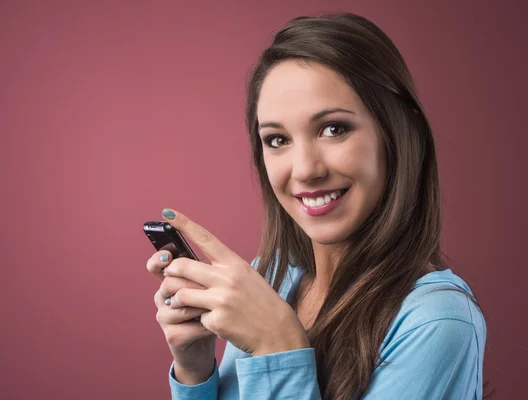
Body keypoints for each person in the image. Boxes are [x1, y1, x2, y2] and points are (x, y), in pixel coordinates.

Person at [146, 12, 486, 400]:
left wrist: (277, 345)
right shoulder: (269, 277)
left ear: (398, 133)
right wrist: (196, 371)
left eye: (334, 129)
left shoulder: (436, 322)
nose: (305, 170)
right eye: (277, 139)